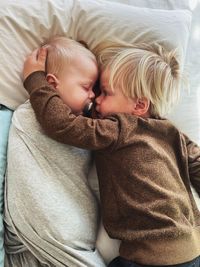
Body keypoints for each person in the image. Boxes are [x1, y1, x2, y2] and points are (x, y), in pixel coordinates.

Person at [23, 41, 200, 267]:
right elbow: (196, 164)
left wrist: (35, 78)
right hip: (193, 248)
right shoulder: (173, 133)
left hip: (150, 255)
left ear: (139, 105)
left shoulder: (118, 128)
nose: (96, 99)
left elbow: (63, 125)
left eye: (105, 92)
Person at [4, 36, 106, 267]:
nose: (93, 96)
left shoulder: (83, 124)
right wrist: (35, 79)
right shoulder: (30, 116)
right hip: (45, 233)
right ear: (51, 84)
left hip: (70, 234)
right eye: (86, 87)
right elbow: (54, 118)